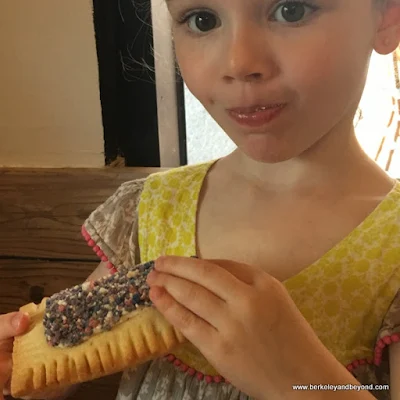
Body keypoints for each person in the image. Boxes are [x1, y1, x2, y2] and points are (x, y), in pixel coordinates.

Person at [2, 0, 400, 399]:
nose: (238, 61)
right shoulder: (155, 209)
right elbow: (55, 367)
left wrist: (299, 380)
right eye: (203, 20)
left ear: (386, 17)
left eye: (291, 10)